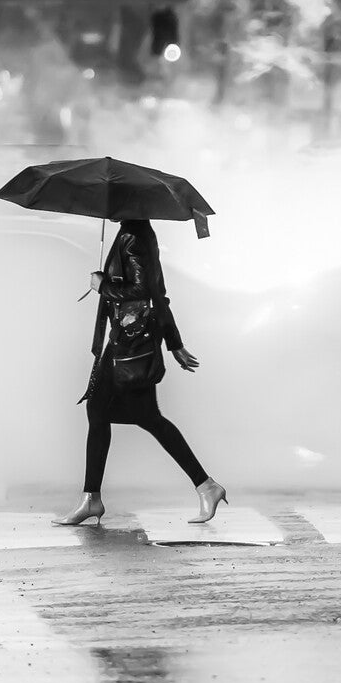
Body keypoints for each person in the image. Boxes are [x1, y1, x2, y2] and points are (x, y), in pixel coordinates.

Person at [57, 217, 227, 528]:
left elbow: (144, 290)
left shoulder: (134, 235)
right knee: (106, 412)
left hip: (130, 346)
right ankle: (91, 497)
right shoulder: (134, 232)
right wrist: (174, 343)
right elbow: (158, 296)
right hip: (126, 343)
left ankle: (206, 485)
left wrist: (103, 285)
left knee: (141, 417)